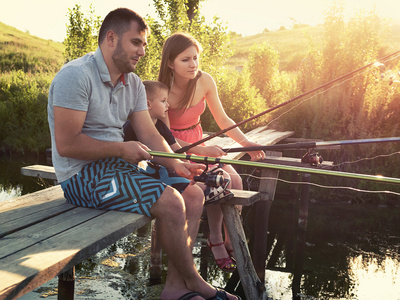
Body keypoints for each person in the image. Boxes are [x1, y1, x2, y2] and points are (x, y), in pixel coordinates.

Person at [47, 8, 240, 300]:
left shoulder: (133, 83)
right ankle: (197, 283)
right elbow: (67, 144)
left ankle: (175, 288)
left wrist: (178, 165)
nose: (143, 50)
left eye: (145, 44)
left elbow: (150, 134)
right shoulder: (75, 76)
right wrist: (121, 148)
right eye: (136, 42)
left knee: (191, 194)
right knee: (172, 203)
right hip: (81, 176)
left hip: (118, 168)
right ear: (111, 38)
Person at [158, 32, 266, 273]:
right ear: (170, 63)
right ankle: (216, 239)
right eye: (185, 59)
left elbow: (223, 119)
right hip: (176, 149)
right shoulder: (161, 89)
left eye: (195, 58)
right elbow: (164, 133)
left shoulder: (205, 80)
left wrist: (246, 143)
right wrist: (201, 149)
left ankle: (226, 236)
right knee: (220, 182)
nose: (193, 64)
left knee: (236, 180)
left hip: (198, 138)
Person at [124, 80, 233, 204]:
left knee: (204, 184)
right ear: (148, 104)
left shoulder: (161, 126)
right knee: (197, 189)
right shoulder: (132, 127)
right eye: (163, 101)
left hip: (160, 170)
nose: (168, 105)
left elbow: (176, 150)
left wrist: (188, 169)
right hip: (141, 174)